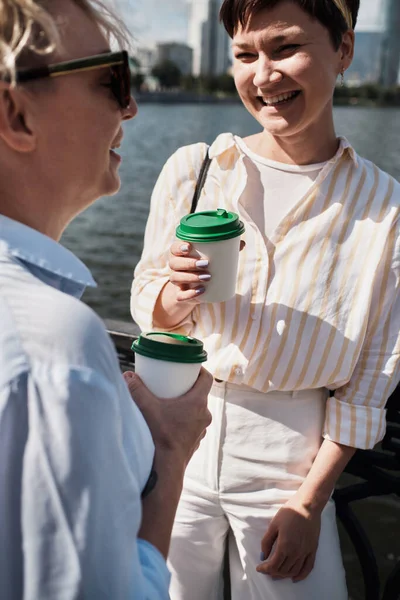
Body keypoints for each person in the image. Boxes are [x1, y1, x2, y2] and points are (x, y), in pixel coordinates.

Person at [131, 0, 400, 598]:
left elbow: (373, 376)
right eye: (246, 55)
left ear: (345, 50)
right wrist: (175, 294)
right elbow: (147, 301)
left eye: (285, 48)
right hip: (178, 438)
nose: (263, 75)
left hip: (292, 458)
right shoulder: (195, 170)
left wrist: (311, 502)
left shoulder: (386, 208)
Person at [0, 1, 213, 599]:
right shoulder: (51, 341)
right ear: (16, 114)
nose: (132, 106)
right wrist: (169, 451)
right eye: (112, 79)